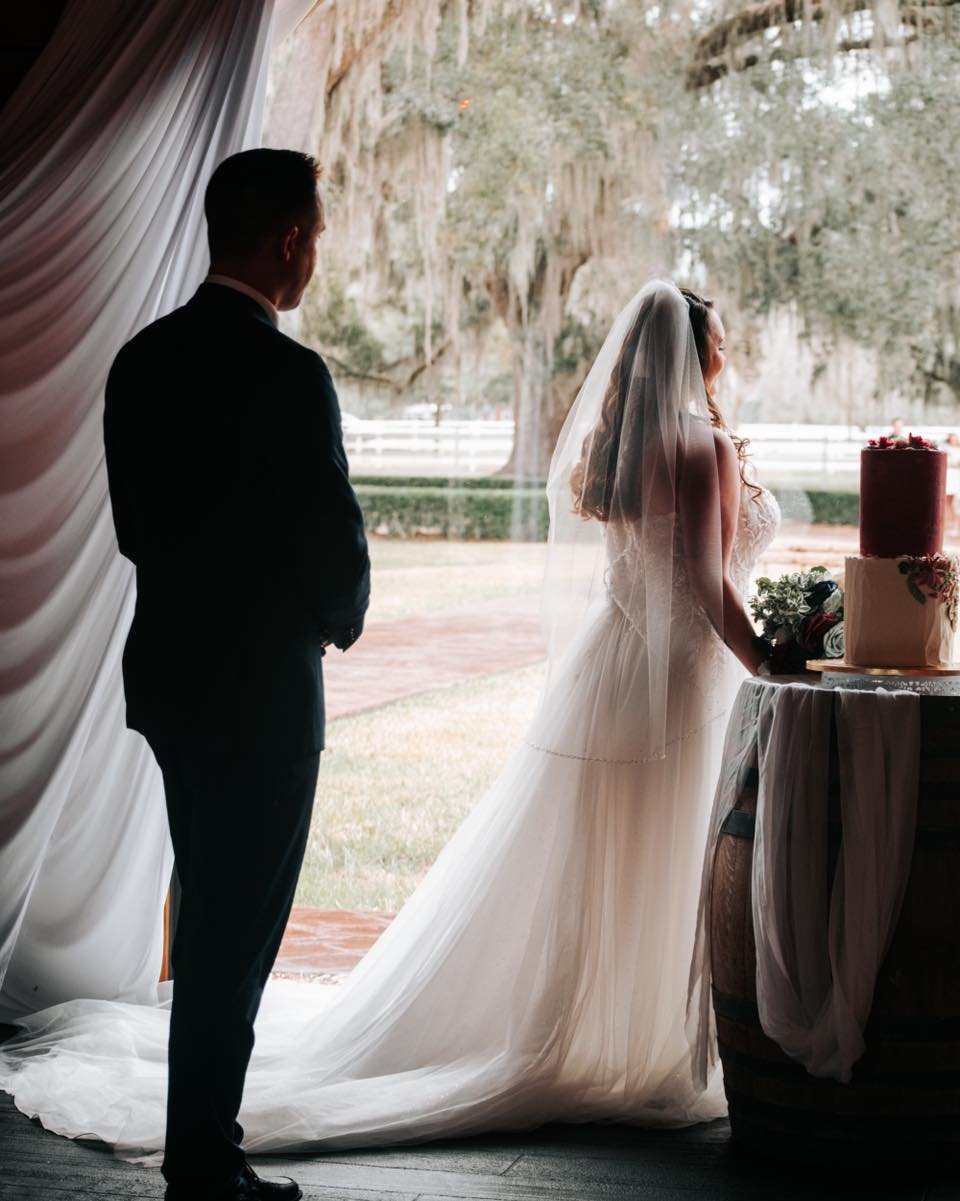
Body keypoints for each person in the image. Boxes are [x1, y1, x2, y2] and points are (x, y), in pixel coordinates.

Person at [0, 281, 778, 1157]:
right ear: (698, 354)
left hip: (614, 668)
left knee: (606, 852)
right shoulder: (700, 445)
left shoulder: (616, 448)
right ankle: (643, 1039)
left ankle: (606, 1030)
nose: (724, 357)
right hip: (676, 679)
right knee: (664, 852)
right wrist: (774, 665)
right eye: (718, 343)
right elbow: (710, 587)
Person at [103, 150, 370, 1201]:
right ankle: (205, 1160)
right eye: (317, 235)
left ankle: (199, 1146)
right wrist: (337, 618)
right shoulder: (290, 374)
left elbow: (136, 532)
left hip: (172, 679)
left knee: (207, 908)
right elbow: (331, 543)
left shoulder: (141, 359)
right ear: (290, 241)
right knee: (234, 929)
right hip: (261, 693)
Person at [945, 433, 960, 535]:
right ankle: (948, 523)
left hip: (957, 476)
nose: (954, 440)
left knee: (956, 503)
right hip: (950, 476)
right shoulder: (947, 450)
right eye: (952, 439)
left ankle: (955, 524)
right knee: (948, 501)